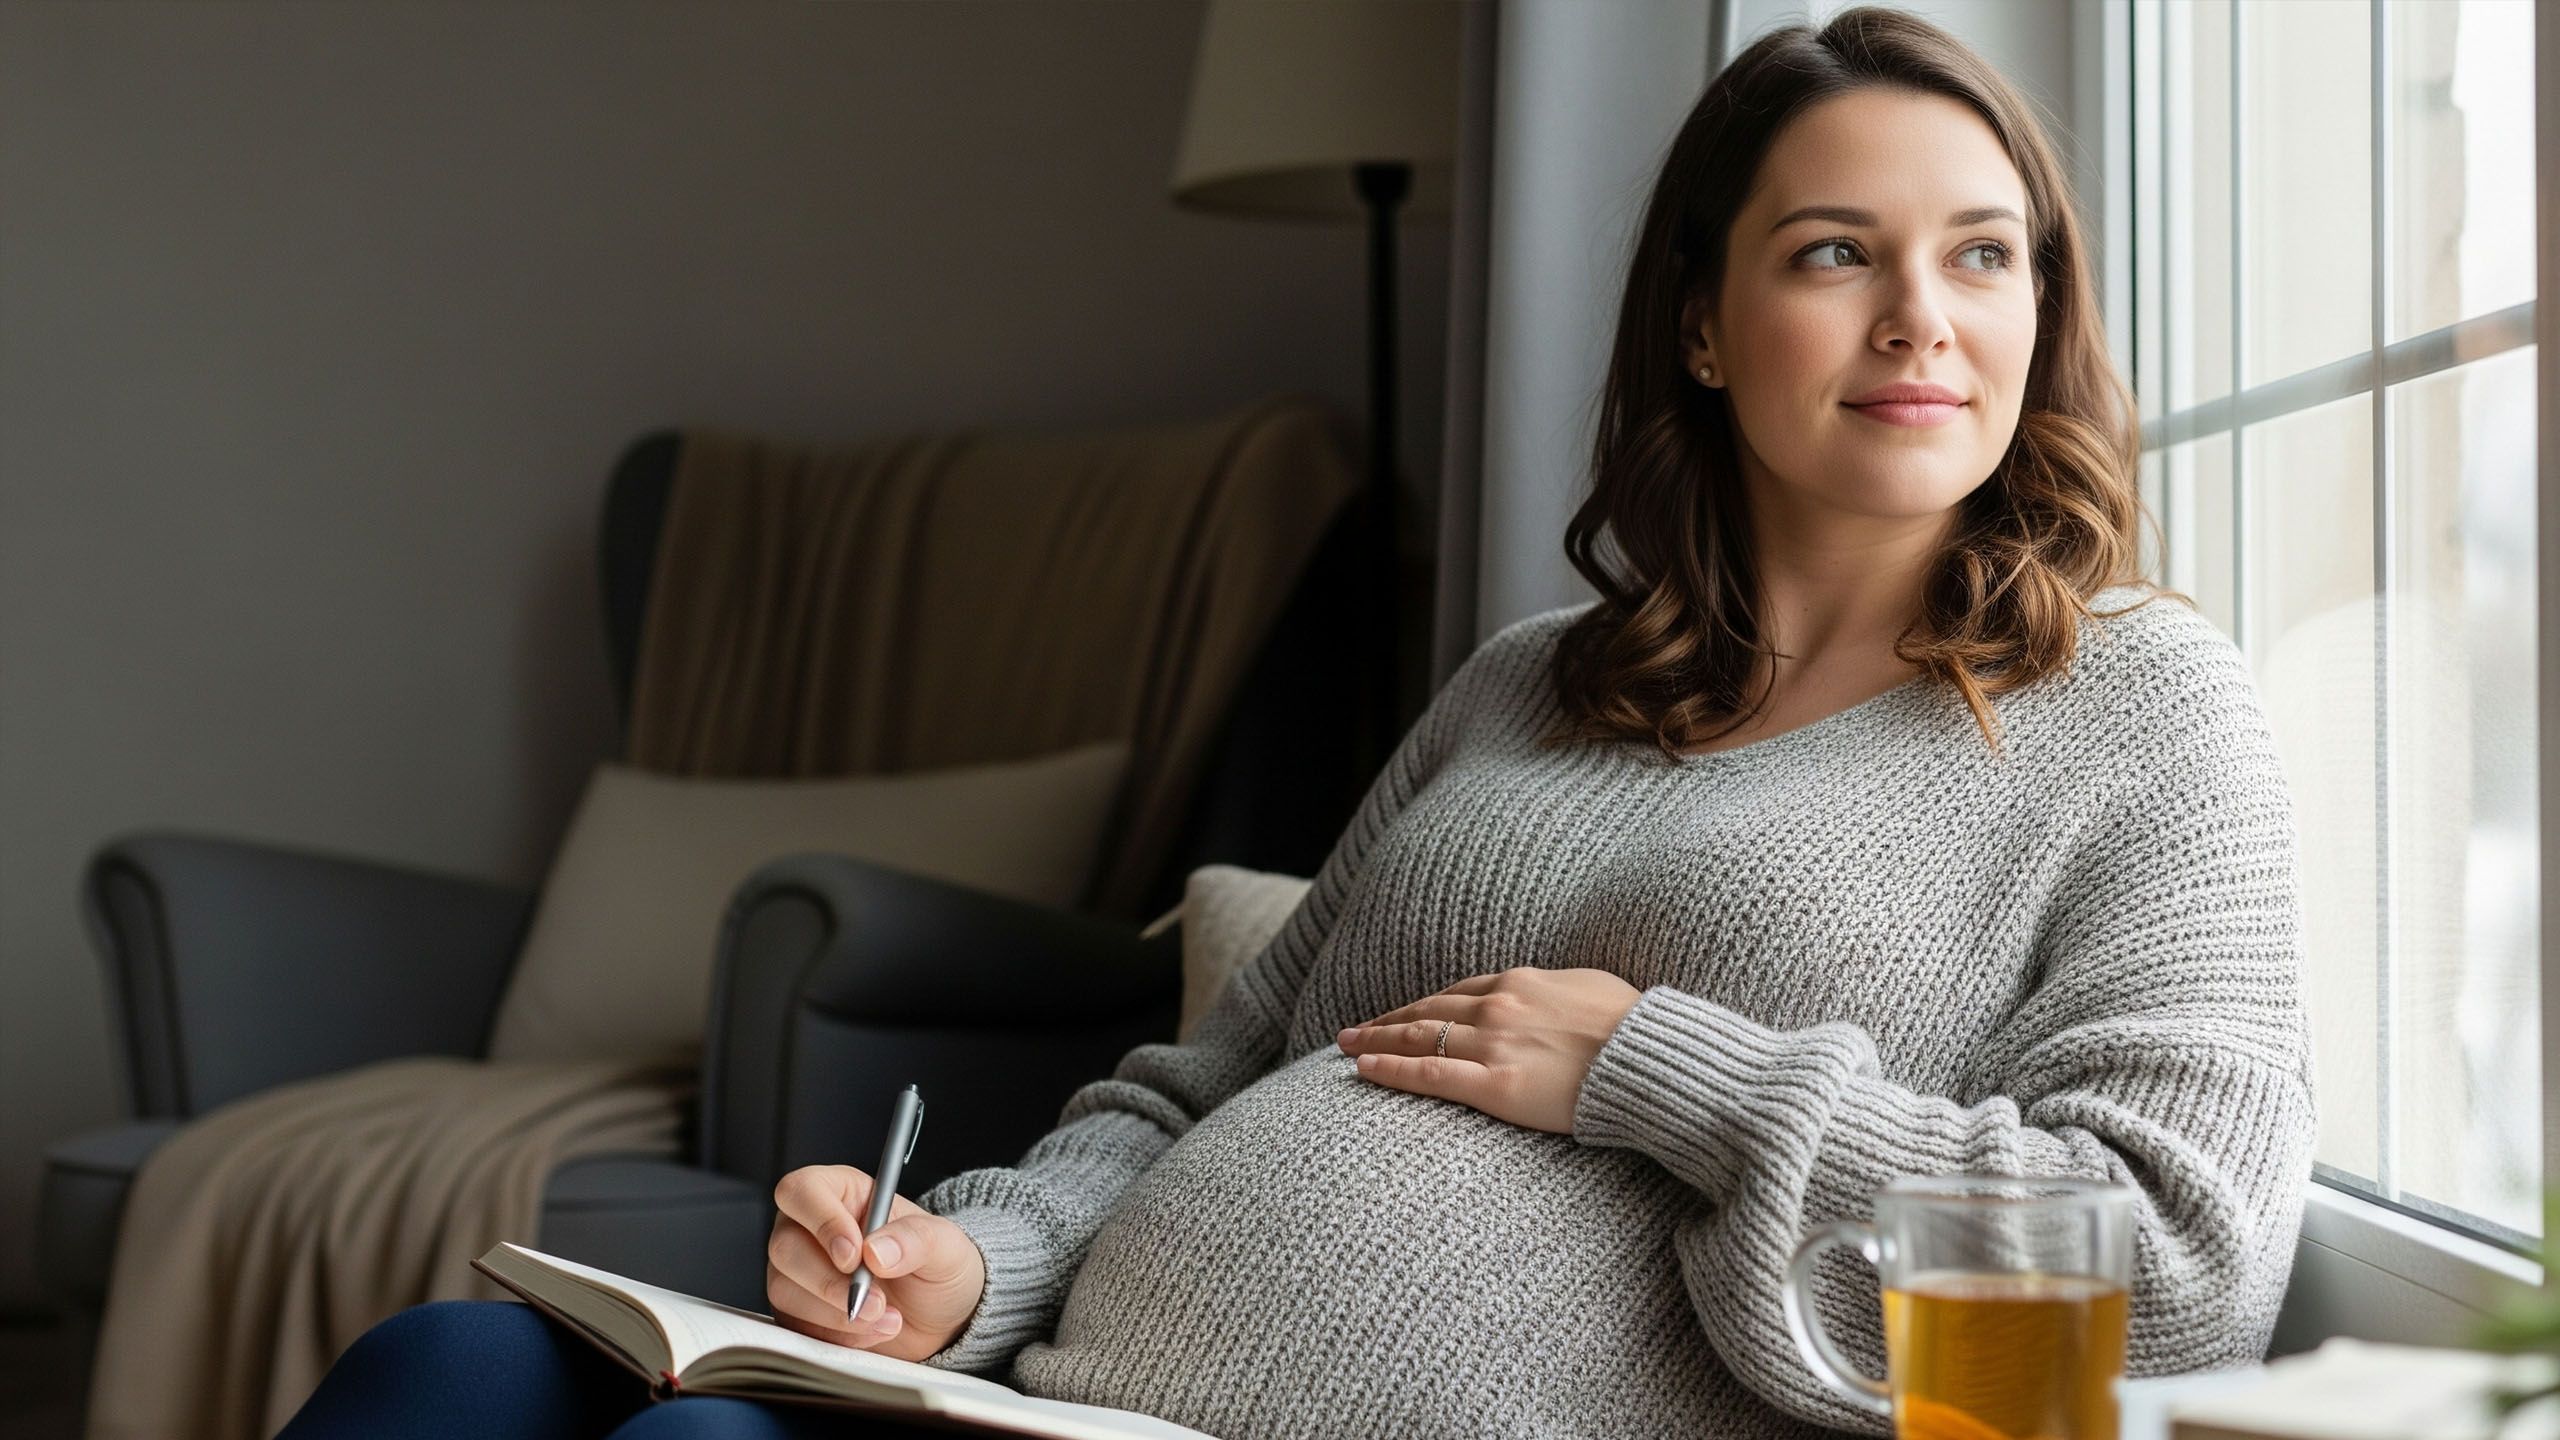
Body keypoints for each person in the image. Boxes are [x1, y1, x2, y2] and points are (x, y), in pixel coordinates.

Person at [278, 7, 2316, 1438]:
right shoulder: (1532, 681)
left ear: (2042, 308)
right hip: (1067, 1394)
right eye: (1833, 253)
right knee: (433, 1373)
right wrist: (972, 1265)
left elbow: (2177, 1258)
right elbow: (1200, 1086)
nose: (1920, 318)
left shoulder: (2138, 710)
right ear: (1702, 324)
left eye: (1983, 256)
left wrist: (1657, 1071)